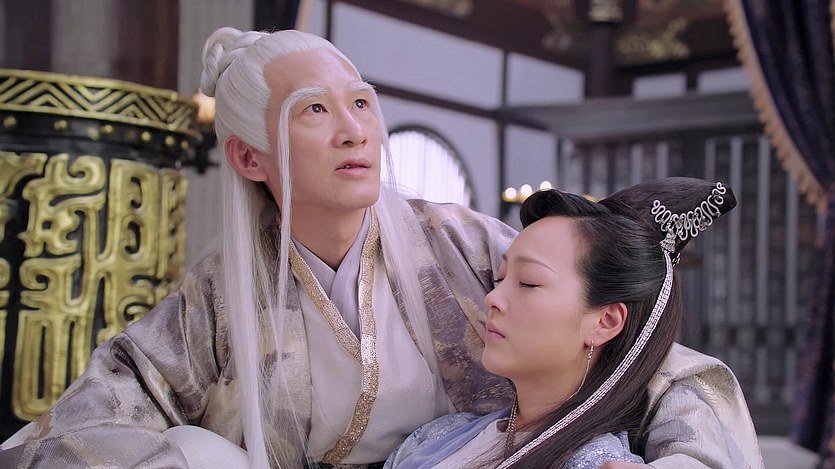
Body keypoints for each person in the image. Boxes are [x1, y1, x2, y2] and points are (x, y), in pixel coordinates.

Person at [0, 28, 759, 468]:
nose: (353, 130)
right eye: (314, 111)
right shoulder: (217, 298)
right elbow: (79, 427)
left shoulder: (465, 246)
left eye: (361, 102)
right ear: (249, 157)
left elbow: (659, 362)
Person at [385, 179, 764, 469]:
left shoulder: (596, 462)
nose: (492, 298)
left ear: (605, 322)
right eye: (499, 279)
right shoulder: (435, 437)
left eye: (528, 282)